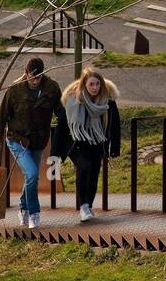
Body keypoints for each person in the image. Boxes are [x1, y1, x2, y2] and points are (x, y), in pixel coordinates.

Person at [0, 58, 63, 229]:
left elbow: (61, 112)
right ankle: (34, 213)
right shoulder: (14, 90)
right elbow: (1, 118)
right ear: (26, 72)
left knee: (32, 177)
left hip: (38, 140)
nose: (35, 81)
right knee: (32, 174)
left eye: (39, 77)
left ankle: (23, 208)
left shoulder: (52, 88)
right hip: (17, 139)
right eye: (32, 77)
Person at [52, 68, 121, 222]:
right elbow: (61, 126)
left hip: (98, 141)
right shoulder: (71, 100)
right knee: (84, 167)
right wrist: (55, 153)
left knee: (94, 172)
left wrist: (115, 147)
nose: (95, 88)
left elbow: (115, 124)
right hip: (76, 141)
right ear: (84, 84)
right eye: (91, 84)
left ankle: (88, 204)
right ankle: (83, 205)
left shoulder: (107, 100)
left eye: (97, 84)